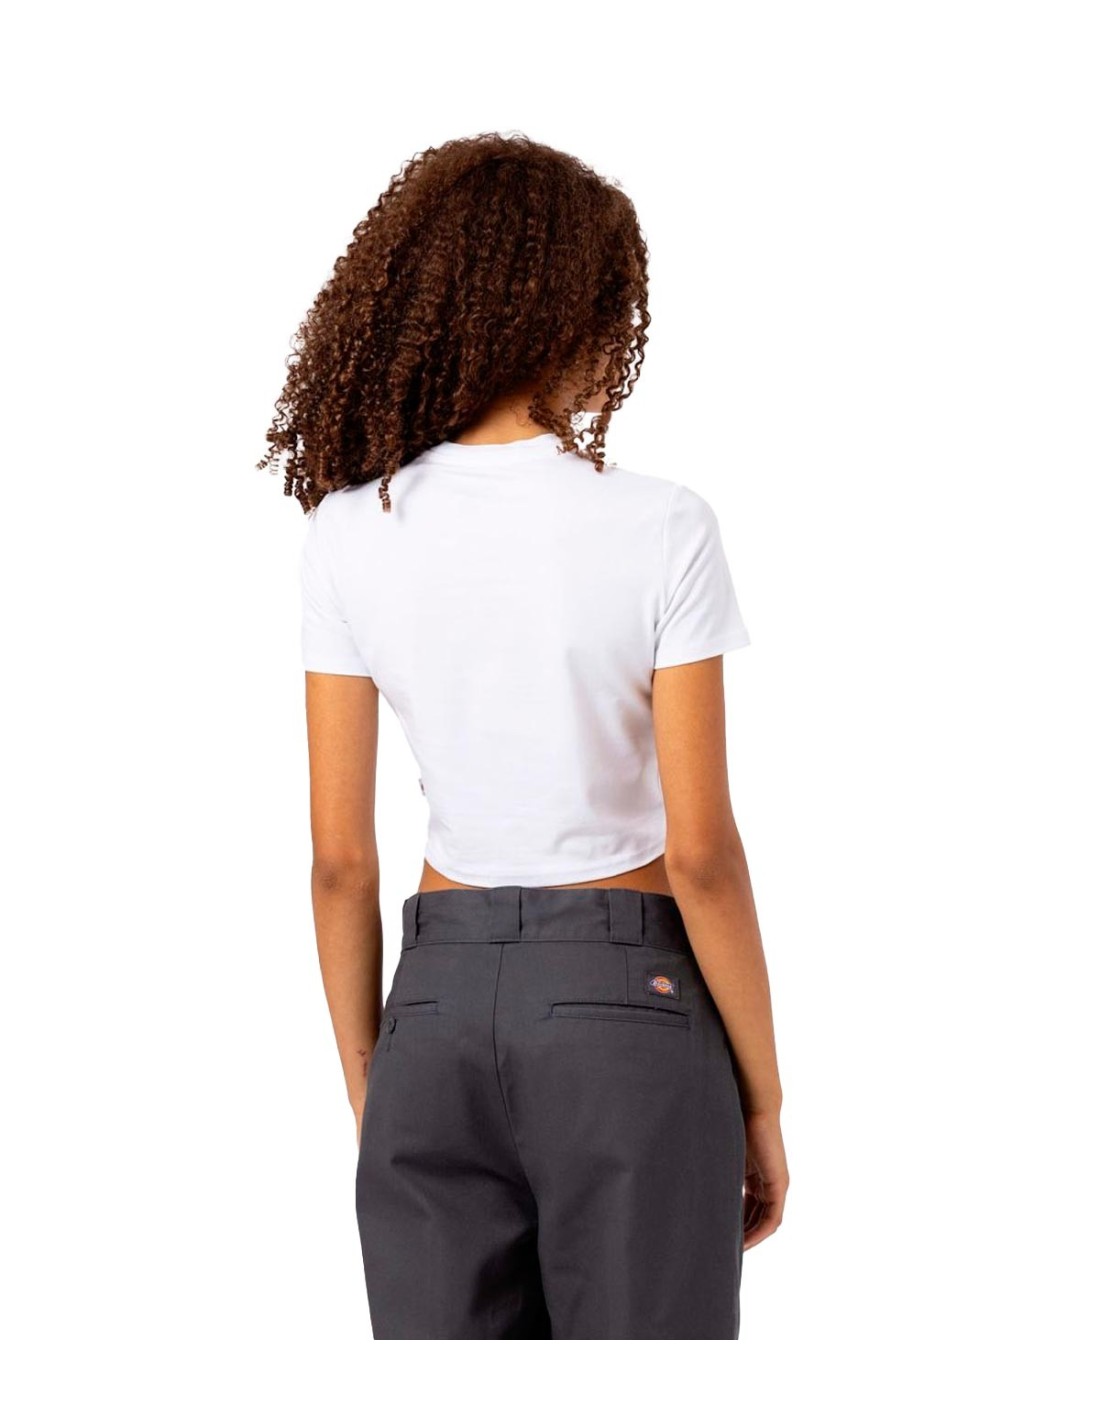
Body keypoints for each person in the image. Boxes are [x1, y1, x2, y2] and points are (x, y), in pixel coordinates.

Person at [258, 131, 789, 1340]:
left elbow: (338, 861)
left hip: (430, 1008)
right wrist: (759, 1099)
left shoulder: (349, 530)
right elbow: (700, 854)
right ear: (577, 311)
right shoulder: (660, 525)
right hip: (626, 1003)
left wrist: (375, 1085)